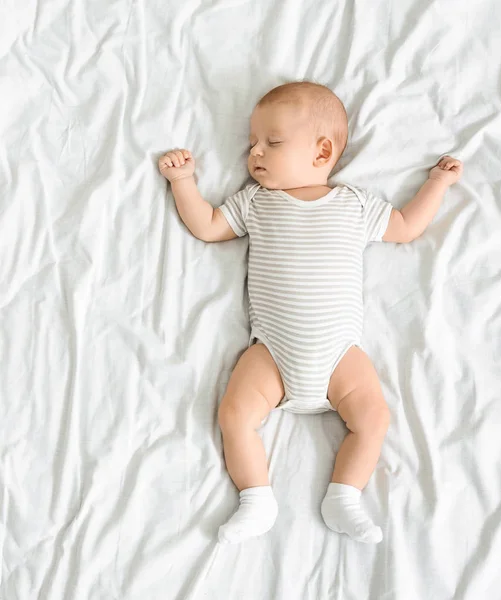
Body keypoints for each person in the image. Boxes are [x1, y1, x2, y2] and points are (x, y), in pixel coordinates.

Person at [158, 81, 463, 544]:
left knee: (374, 419)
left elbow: (405, 227)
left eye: (272, 142)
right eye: (252, 144)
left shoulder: (354, 205)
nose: (255, 153)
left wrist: (437, 183)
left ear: (322, 152)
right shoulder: (255, 202)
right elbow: (207, 225)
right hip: (271, 354)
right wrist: (184, 183)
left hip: (341, 354)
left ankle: (345, 495)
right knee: (234, 415)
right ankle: (255, 498)